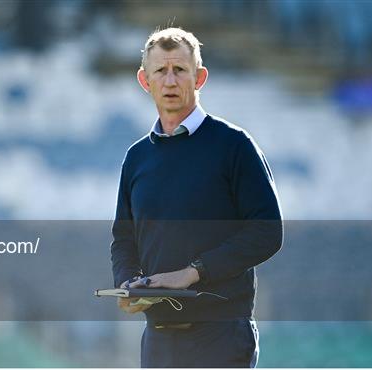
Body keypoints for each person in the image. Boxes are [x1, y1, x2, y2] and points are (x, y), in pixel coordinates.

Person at [110, 27, 283, 367]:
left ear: (199, 77)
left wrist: (192, 272)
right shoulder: (136, 158)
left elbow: (268, 232)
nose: (170, 81)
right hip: (159, 339)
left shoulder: (234, 146)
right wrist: (127, 281)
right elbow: (123, 238)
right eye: (160, 71)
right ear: (145, 81)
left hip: (221, 335)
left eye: (180, 70)